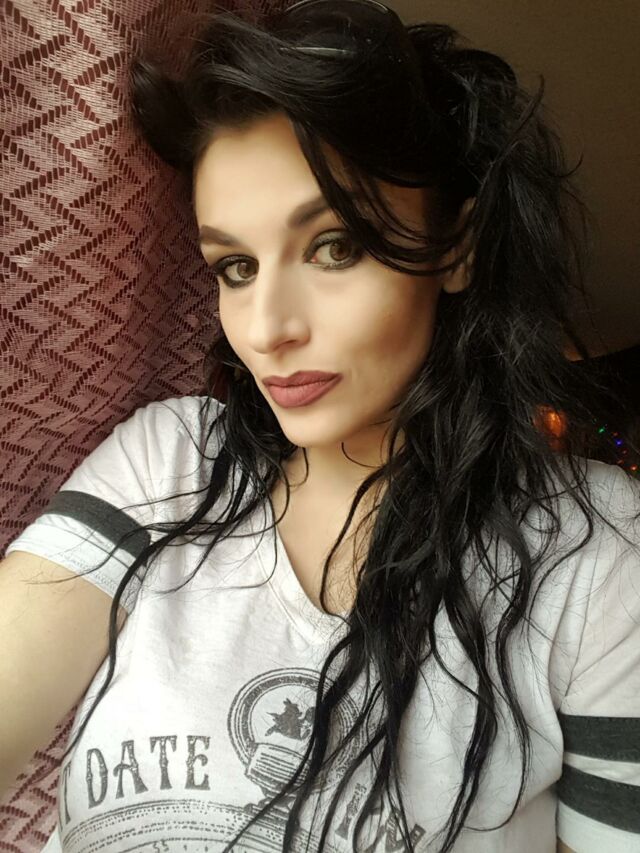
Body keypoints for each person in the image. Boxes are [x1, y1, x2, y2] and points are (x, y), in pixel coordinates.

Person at [1, 1, 638, 851]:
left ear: (456, 246)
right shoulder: (169, 462)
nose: (267, 328)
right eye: (235, 266)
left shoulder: (593, 555)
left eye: (335, 246)